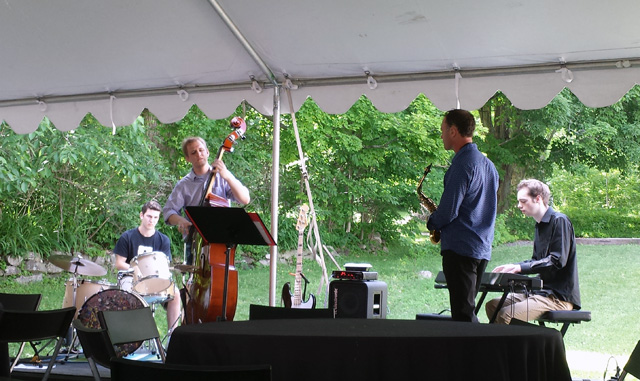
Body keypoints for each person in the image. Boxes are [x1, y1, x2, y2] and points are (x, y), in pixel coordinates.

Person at [426, 109, 499, 322]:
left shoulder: (462, 164)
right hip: (481, 248)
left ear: (454, 131)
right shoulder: (489, 166)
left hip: (460, 249)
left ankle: (473, 355)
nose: (441, 135)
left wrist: (432, 222)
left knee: (463, 317)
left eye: (443, 130)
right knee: (466, 311)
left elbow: (449, 211)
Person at [485, 179, 581, 324]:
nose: (519, 205)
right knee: (492, 306)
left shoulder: (559, 221)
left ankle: (523, 345)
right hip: (539, 293)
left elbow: (557, 260)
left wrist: (520, 268)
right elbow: (536, 260)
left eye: (523, 201)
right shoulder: (540, 226)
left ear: (538, 199)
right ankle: (523, 344)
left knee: (506, 315)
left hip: (558, 298)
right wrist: (514, 267)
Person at [163, 136, 250, 264]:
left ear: (207, 152)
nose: (199, 154)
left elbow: (245, 199)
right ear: (187, 159)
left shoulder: (222, 176)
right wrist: (181, 221)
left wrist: (228, 176)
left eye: (201, 150)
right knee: (195, 281)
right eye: (193, 152)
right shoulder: (183, 185)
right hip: (195, 241)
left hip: (222, 240)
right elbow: (169, 211)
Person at [114, 200, 182, 334]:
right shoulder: (127, 237)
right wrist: (135, 270)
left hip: (155, 281)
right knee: (126, 291)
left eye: (156, 217)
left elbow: (164, 266)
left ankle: (172, 337)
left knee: (176, 294)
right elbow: (119, 263)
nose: (152, 220)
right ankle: (128, 336)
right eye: (149, 216)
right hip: (132, 279)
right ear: (141, 215)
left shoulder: (163, 240)